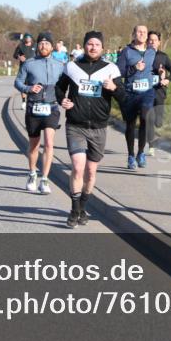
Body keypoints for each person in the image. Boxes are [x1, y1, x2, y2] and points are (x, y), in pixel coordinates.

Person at [55, 31, 124, 228]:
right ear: (84, 46)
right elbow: (59, 88)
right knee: (77, 167)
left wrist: (114, 88)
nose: (93, 47)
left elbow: (124, 97)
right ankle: (74, 209)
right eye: (89, 44)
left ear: (102, 48)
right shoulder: (71, 66)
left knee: (91, 172)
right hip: (75, 125)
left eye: (96, 44)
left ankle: (83, 207)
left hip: (99, 127)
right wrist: (63, 100)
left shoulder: (111, 68)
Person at [13, 32, 65, 194]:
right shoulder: (29, 64)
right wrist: (29, 89)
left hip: (52, 108)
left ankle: (45, 179)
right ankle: (32, 173)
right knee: (34, 145)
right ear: (38, 46)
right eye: (41, 44)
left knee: (49, 143)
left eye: (47, 44)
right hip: (33, 108)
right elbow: (18, 82)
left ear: (52, 46)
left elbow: (66, 85)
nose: (44, 46)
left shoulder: (60, 64)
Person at [116, 25, 156, 170]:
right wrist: (133, 68)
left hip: (147, 92)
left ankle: (141, 153)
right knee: (131, 125)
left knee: (146, 118)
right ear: (133, 34)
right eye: (139, 32)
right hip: (130, 93)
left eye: (144, 32)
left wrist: (162, 75)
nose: (142, 34)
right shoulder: (126, 52)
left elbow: (154, 68)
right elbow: (119, 72)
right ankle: (131, 155)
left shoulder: (151, 51)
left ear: (147, 36)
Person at [146, 30, 171, 157]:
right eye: (150, 40)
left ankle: (157, 127)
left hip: (159, 91)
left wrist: (167, 79)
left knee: (158, 121)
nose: (152, 42)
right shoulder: (142, 55)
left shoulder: (163, 56)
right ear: (147, 42)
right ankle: (151, 146)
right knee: (149, 119)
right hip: (146, 91)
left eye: (155, 40)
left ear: (159, 42)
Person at [12, 33, 36, 110]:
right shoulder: (20, 46)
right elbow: (15, 55)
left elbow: (39, 55)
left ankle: (33, 102)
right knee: (24, 86)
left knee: (33, 85)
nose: (28, 38)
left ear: (31, 38)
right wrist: (19, 57)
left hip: (33, 69)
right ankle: (23, 102)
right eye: (26, 37)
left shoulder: (35, 46)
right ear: (24, 38)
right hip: (24, 69)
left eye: (29, 37)